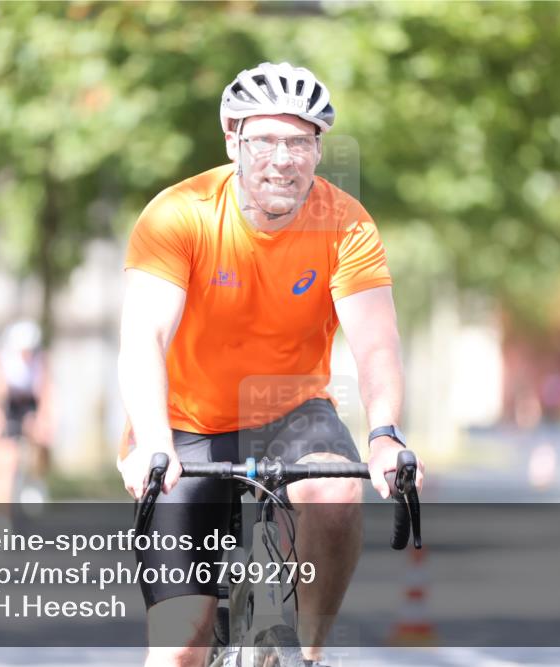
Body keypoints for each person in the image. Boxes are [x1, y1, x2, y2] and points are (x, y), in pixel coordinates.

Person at [117, 61, 425, 667]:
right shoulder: (179, 214)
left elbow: (376, 343)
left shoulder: (346, 224)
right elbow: (144, 337)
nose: (282, 158)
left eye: (300, 141)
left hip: (292, 410)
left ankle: (307, 653)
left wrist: (385, 434)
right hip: (185, 423)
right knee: (180, 646)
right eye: (265, 140)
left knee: (335, 491)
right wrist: (153, 443)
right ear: (233, 139)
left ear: (318, 150)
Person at [0, 320, 54, 505]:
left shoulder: (40, 360)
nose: (27, 355)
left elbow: (46, 391)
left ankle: (36, 481)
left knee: (41, 442)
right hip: (8, 404)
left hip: (30, 403)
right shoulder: (3, 361)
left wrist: (44, 420)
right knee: (5, 456)